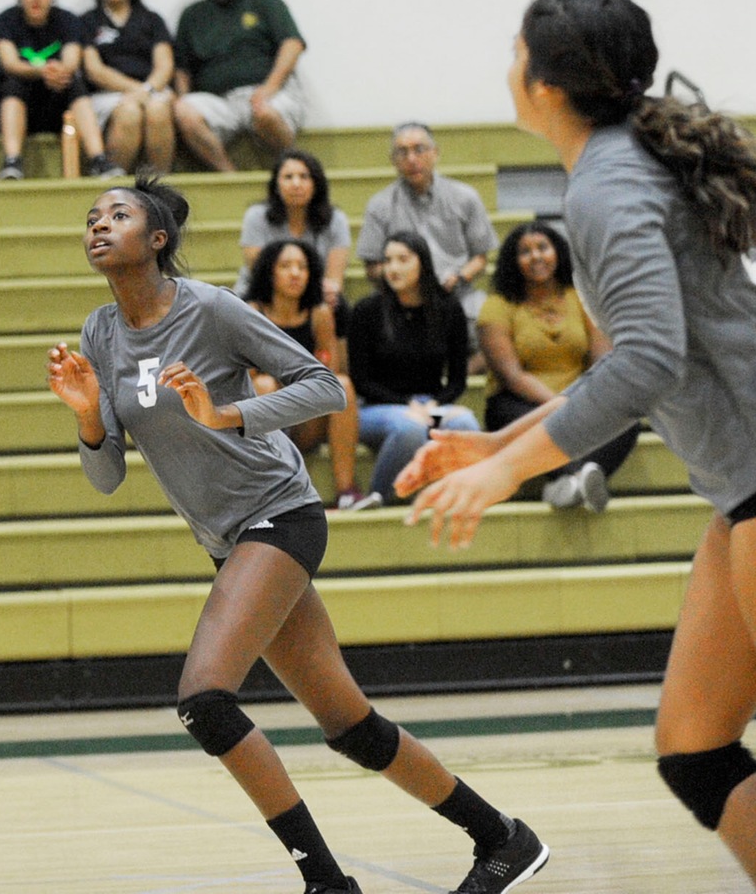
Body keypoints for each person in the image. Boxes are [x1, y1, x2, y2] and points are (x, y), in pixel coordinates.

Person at [402, 0, 756, 894]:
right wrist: (492, 450)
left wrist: (502, 474)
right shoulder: (619, 163)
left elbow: (643, 361)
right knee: (695, 746)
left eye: (513, 49)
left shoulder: (609, 183)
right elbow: (648, 366)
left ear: (544, 81)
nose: (506, 65)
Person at [47, 175, 547, 894]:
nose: (98, 224)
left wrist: (228, 415)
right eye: (91, 216)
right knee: (350, 728)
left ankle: (325, 882)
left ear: (157, 239)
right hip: (227, 540)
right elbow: (105, 478)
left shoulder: (211, 309)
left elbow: (323, 386)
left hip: (279, 513)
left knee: (203, 699)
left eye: (117, 215)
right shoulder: (100, 332)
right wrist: (88, 415)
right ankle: (501, 839)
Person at [477, 222, 639, 513]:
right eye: (525, 252)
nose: (536, 256)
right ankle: (581, 477)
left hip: (580, 394)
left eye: (543, 247)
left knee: (627, 417)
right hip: (520, 402)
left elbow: (603, 360)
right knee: (526, 420)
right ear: (513, 262)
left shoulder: (582, 297)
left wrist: (580, 401)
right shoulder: (497, 305)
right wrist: (559, 405)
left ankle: (570, 483)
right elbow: (511, 375)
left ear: (558, 253)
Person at [348, 232, 479, 507]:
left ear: (423, 263)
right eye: (388, 260)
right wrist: (407, 405)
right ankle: (379, 498)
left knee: (465, 423)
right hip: (376, 407)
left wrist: (434, 403)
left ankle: (463, 501)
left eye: (403, 259)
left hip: (428, 404)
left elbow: (457, 381)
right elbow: (360, 381)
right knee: (409, 427)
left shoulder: (448, 309)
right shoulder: (366, 311)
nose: (393, 268)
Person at [244, 238, 365, 510]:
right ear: (270, 272)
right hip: (262, 418)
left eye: (302, 267)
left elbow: (328, 373)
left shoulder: (320, 314)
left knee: (342, 385)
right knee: (263, 385)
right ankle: (274, 492)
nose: (295, 273)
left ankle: (347, 491)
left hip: (304, 415)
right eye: (286, 266)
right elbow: (246, 379)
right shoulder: (252, 312)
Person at [171, 0, 307, 171]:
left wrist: (269, 88)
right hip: (220, 101)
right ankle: (229, 175)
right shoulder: (193, 15)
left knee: (265, 114)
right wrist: (182, 97)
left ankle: (292, 170)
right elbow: (182, 68)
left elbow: (292, 44)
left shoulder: (266, 3)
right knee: (183, 109)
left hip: (269, 91)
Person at [0, 0, 118, 180]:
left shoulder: (67, 20)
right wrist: (43, 71)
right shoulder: (5, 21)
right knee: (13, 82)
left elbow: (72, 61)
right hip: (11, 105)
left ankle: (98, 159)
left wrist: (59, 71)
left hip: (54, 106)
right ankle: (12, 161)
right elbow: (10, 62)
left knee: (74, 83)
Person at [356, 123, 494, 322]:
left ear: (435, 153)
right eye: (402, 152)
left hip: (456, 294)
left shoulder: (465, 197)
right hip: (400, 300)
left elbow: (480, 257)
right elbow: (372, 266)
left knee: (484, 316)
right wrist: (404, 281)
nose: (412, 159)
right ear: (393, 160)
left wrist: (460, 277)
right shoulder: (379, 205)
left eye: (419, 150)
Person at [78, 0, 175, 172]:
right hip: (105, 95)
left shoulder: (152, 20)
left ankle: (159, 188)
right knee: (129, 111)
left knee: (158, 109)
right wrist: (136, 91)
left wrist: (147, 90)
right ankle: (114, 187)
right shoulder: (87, 21)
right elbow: (94, 70)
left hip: (151, 89)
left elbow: (165, 65)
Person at [233, 150, 351, 306]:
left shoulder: (336, 219)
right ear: (276, 185)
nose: (296, 184)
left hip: (314, 296)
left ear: (316, 184)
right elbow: (260, 275)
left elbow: (334, 280)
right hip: (262, 296)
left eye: (304, 177)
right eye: (288, 177)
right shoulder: (256, 216)